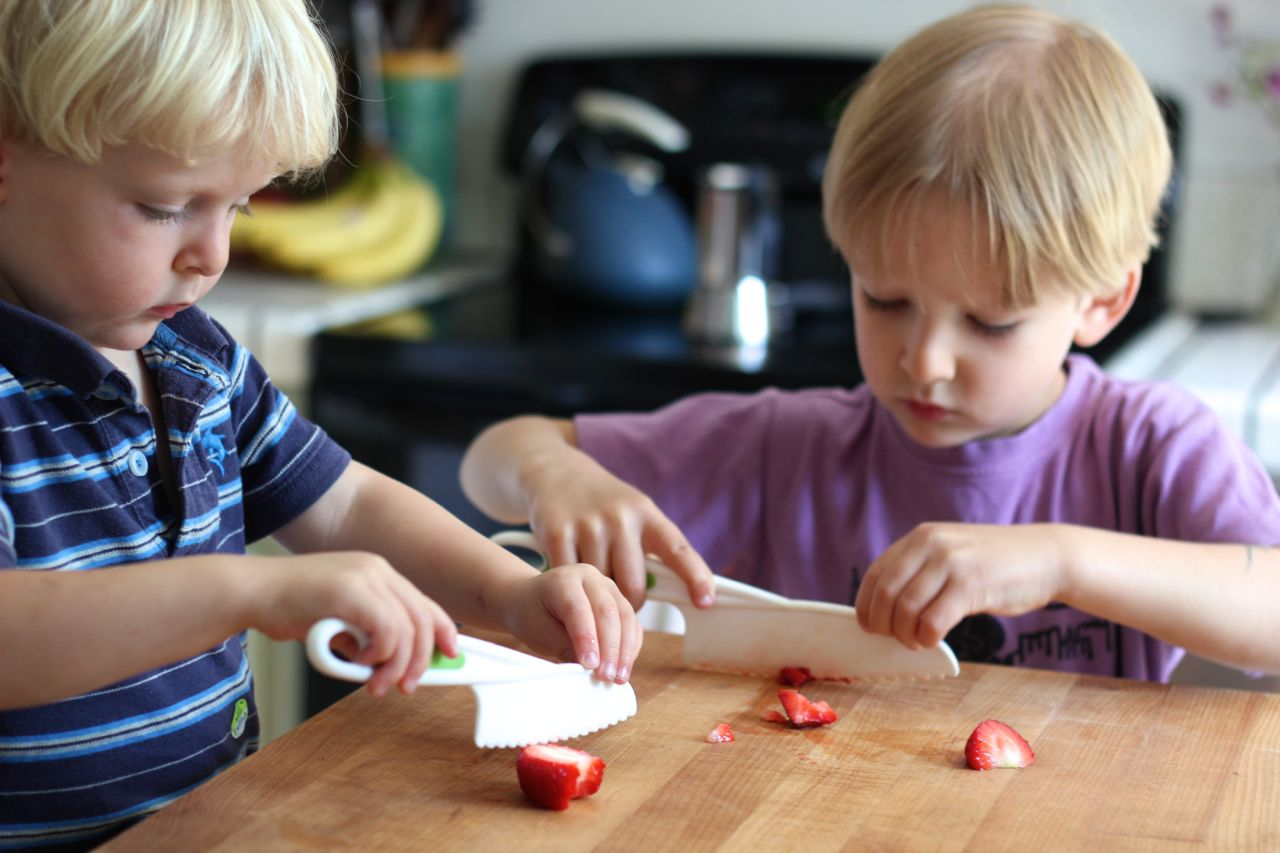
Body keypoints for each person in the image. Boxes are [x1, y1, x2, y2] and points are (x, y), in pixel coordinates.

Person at [461, 4, 1280, 689]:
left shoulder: (1150, 447)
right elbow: (494, 458)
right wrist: (553, 476)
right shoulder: (787, 448)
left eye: (989, 323)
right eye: (885, 300)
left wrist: (1062, 561)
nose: (923, 360)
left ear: (1104, 300)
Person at [0, 1, 640, 848]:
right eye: (165, 206)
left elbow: (343, 505)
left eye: (238, 207)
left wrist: (509, 592)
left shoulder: (196, 360)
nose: (212, 255)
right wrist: (251, 591)